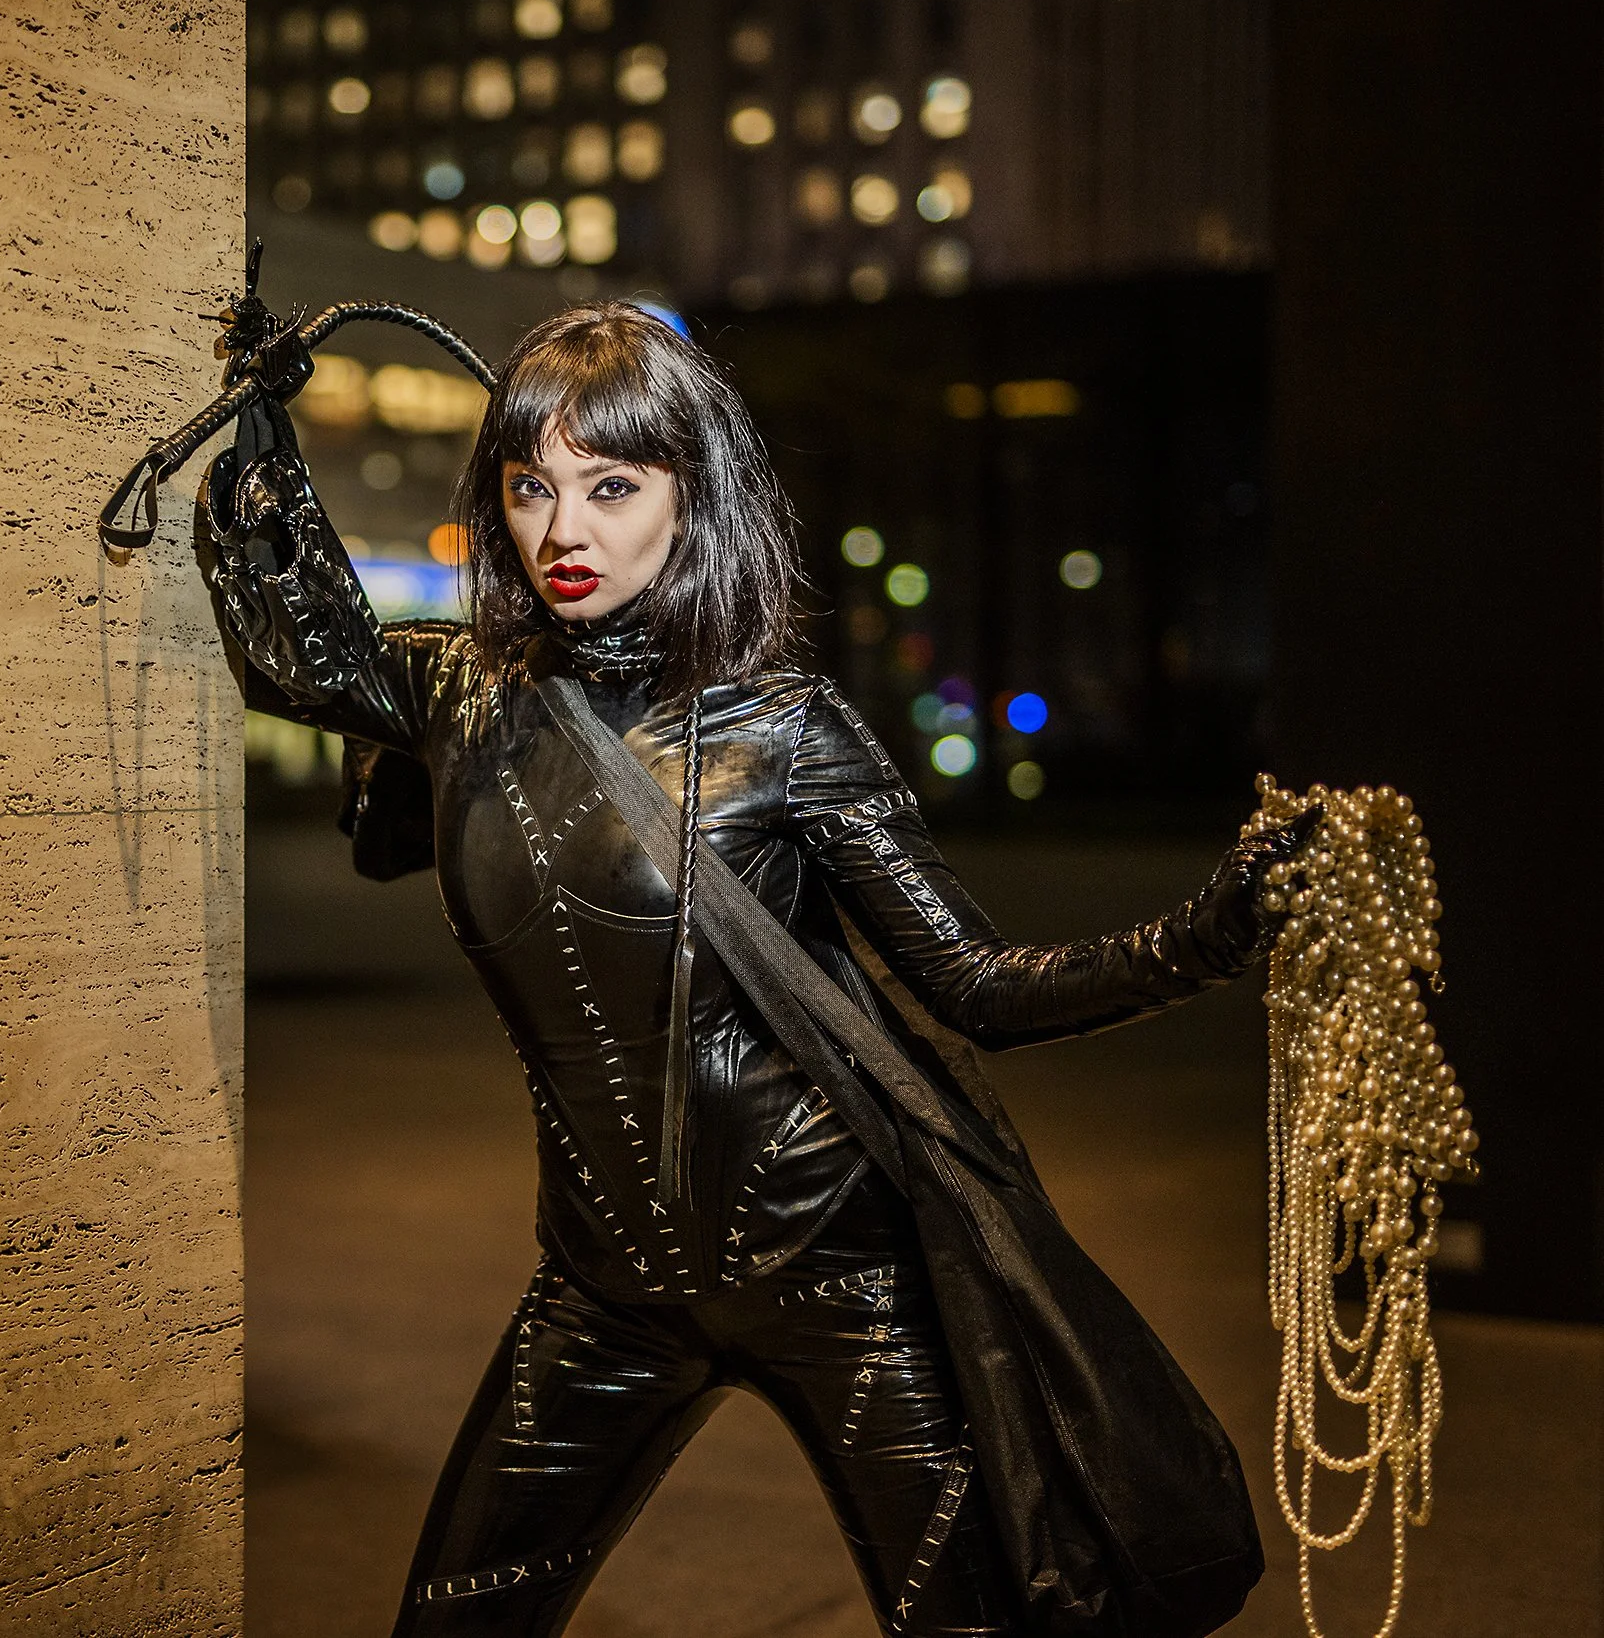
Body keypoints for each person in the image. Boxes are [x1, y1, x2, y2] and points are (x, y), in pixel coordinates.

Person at [192, 302, 1312, 1638]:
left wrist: (1207, 934)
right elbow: (294, 645)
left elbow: (978, 988)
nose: (566, 531)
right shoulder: (461, 697)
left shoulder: (785, 730)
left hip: (841, 1283)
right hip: (601, 1297)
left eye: (613, 487)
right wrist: (259, 422)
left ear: (689, 497)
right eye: (532, 487)